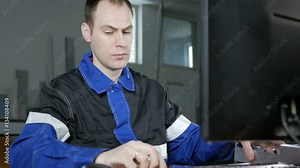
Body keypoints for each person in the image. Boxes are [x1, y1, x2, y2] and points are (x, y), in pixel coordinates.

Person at [10, 0, 283, 167]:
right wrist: (99, 158)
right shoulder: (60, 92)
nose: (121, 41)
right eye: (109, 31)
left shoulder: (153, 91)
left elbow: (191, 145)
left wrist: (233, 132)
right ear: (87, 32)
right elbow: (25, 154)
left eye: (127, 31)